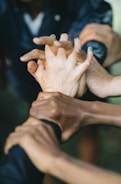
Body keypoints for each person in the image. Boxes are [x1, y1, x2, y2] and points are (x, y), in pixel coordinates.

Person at [0, 0, 112, 164]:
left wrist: (85, 59)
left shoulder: (82, 5)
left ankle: (87, 170)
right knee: (41, 124)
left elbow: (96, 26)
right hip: (28, 78)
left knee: (88, 123)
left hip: (81, 76)